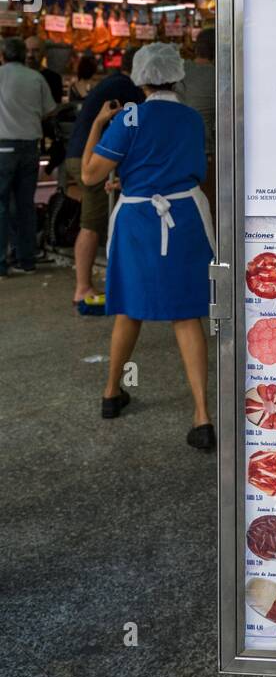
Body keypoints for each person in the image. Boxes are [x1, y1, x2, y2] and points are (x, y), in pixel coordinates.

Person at [81, 42, 216, 449]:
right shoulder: (191, 117)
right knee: (187, 313)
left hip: (139, 219)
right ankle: (201, 416)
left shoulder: (130, 114)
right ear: (178, 75)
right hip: (186, 218)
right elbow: (189, 167)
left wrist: (98, 126)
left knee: (129, 309)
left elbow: (89, 175)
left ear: (140, 78)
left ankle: (111, 393)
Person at [65, 47, 143, 314]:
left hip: (79, 154)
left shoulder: (113, 82)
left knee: (96, 221)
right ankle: (83, 288)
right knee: (92, 224)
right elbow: (134, 129)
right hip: (91, 158)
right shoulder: (128, 87)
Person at [0, 36, 56, 277]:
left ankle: (1, 263)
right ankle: (27, 261)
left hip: (4, 148)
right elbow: (49, 110)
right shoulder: (36, 78)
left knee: (1, 206)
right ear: (24, 55)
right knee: (26, 205)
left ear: (3, 55)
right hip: (31, 148)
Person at [179, 26, 216, 213]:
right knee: (209, 210)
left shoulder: (180, 70)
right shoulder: (219, 76)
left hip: (175, 152)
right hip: (205, 153)